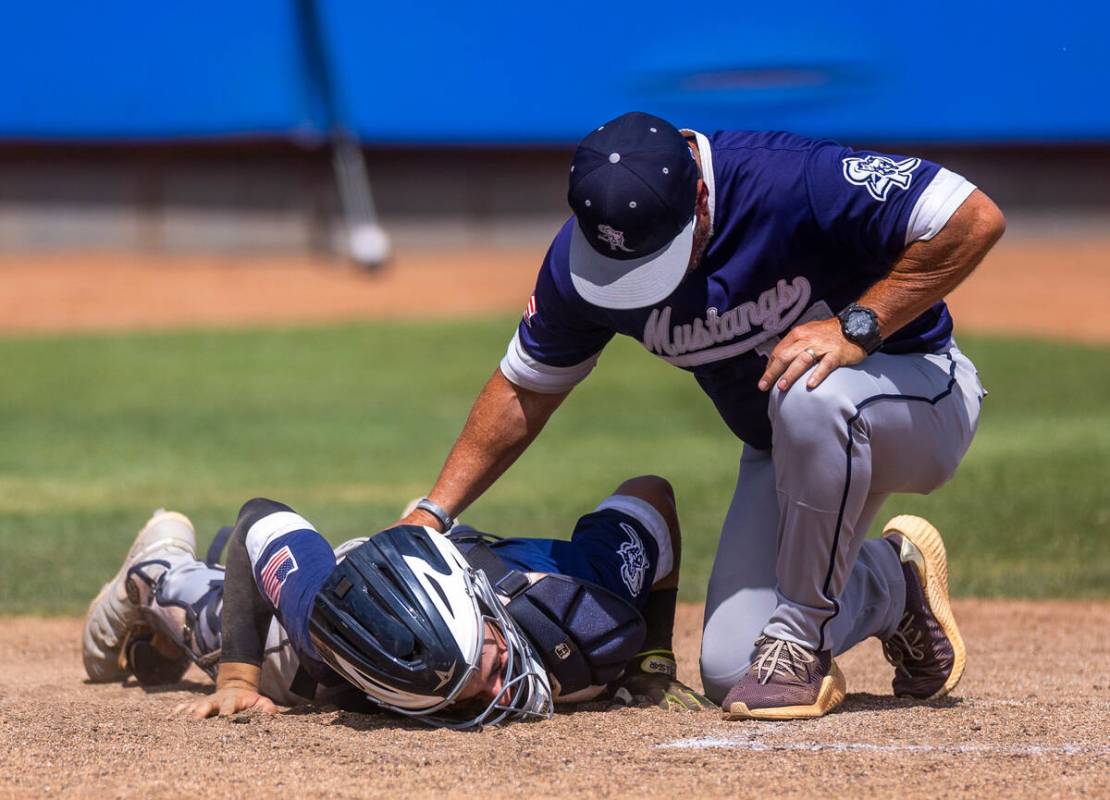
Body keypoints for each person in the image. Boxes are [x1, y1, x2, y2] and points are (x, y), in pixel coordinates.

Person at [398, 111, 1006, 720]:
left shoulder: (790, 179)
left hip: (919, 395)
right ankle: (896, 586)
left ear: (697, 195)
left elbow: (973, 216)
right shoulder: (582, 263)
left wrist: (858, 325)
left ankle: (800, 640)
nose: (639, 280)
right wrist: (433, 512)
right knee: (731, 665)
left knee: (811, 394)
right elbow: (526, 388)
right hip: (785, 447)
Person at [81, 474, 711, 728]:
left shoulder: (577, 600)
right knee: (234, 633)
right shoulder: (331, 627)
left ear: (488, 615)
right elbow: (261, 520)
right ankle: (158, 566)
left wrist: (652, 656)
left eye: (488, 669)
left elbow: (650, 498)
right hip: (336, 628)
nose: (499, 697)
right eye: (472, 692)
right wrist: (237, 676)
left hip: (429, 568)